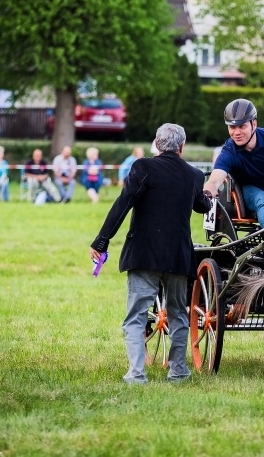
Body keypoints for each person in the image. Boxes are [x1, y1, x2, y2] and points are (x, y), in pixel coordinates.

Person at [89, 123, 212, 384]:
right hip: (178, 257)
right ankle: (178, 371)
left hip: (144, 254)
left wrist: (101, 242)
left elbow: (123, 204)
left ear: (156, 143)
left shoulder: (143, 168)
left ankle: (136, 374)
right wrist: (209, 197)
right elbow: (202, 206)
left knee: (136, 316)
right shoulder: (194, 175)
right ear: (182, 147)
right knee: (178, 314)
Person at [203, 99, 264, 227]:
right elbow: (215, 180)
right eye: (232, 127)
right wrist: (205, 195)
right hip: (249, 189)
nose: (237, 132)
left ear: (254, 124)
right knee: (262, 200)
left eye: (242, 126)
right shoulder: (229, 151)